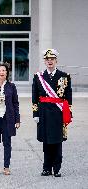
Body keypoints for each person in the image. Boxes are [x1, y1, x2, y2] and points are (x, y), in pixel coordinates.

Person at [32, 49, 72, 177]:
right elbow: (35, 96)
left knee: (57, 140)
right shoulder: (38, 77)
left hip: (58, 113)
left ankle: (57, 168)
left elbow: (68, 96)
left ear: (56, 61)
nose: (50, 61)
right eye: (47, 59)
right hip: (43, 112)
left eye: (52, 59)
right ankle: (46, 168)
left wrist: (68, 112)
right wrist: (35, 113)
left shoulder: (64, 76)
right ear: (45, 61)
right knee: (46, 141)